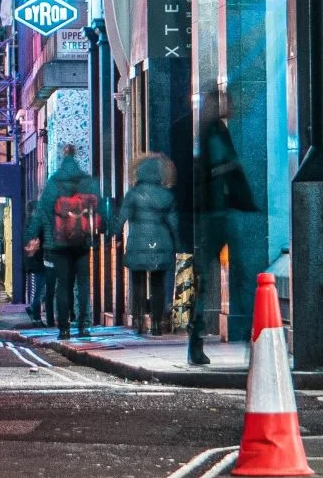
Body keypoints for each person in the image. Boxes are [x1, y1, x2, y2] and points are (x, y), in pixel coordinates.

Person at [189, 89, 254, 367]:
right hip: (215, 215)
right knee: (230, 277)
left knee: (217, 279)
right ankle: (248, 337)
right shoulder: (213, 132)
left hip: (215, 213)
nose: (231, 103)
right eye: (225, 99)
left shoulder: (211, 130)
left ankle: (199, 342)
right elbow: (218, 167)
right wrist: (231, 166)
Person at [28, 144, 105, 340]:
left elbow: (42, 212)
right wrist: (108, 230)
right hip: (83, 241)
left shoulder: (54, 181)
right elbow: (101, 208)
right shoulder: (87, 181)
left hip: (59, 242)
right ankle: (84, 325)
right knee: (83, 283)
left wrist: (32, 235)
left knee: (63, 285)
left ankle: (64, 328)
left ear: (62, 159)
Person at [115, 152, 180, 334]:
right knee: (158, 284)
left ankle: (140, 321)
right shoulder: (167, 195)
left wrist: (113, 233)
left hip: (137, 243)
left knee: (138, 283)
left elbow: (121, 218)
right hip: (161, 243)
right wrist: (178, 243)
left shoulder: (133, 194)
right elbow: (174, 223)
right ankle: (157, 323)